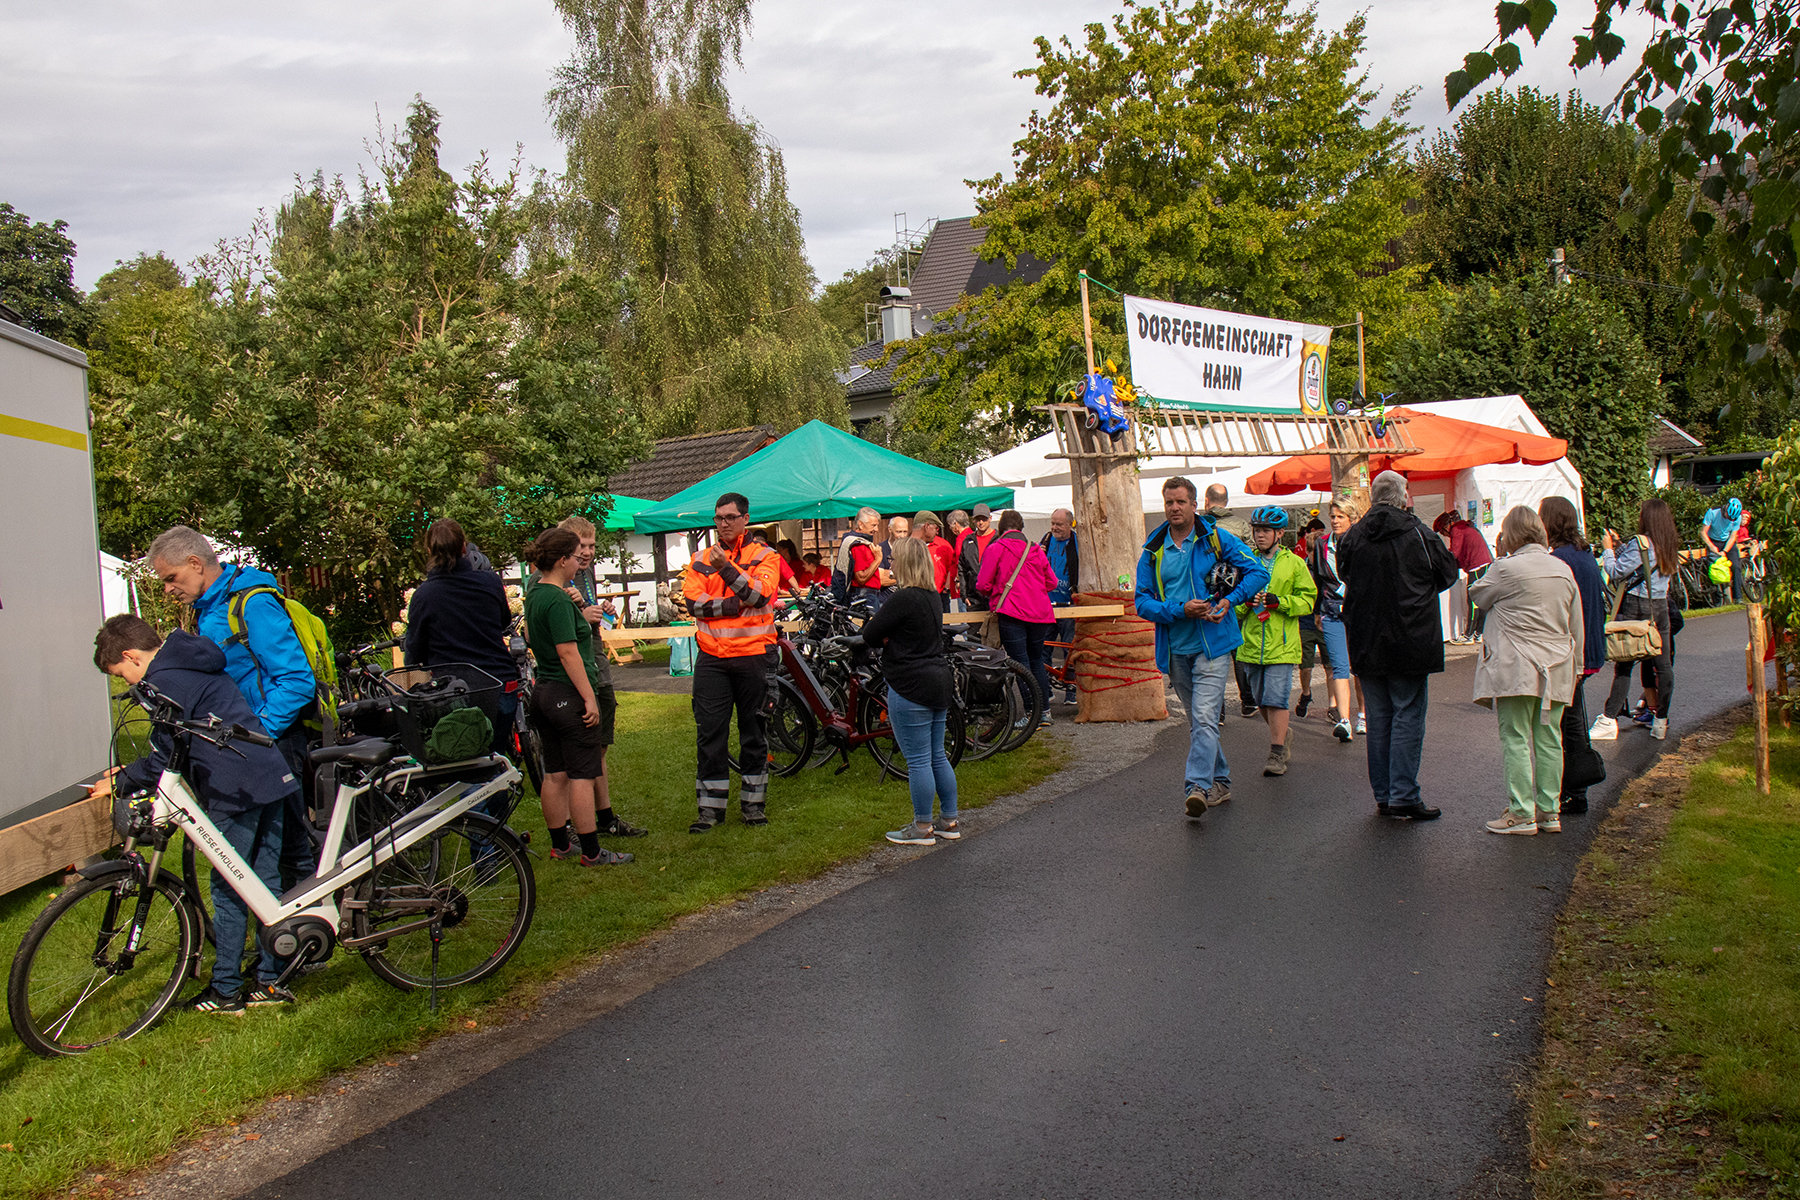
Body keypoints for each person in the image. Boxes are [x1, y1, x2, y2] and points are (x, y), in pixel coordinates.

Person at [89, 615, 300, 1013]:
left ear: (131, 656)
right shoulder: (189, 657)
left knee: (229, 888)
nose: (127, 684)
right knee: (265, 881)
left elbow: (166, 756)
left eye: (121, 674)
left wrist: (120, 782)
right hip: (269, 773)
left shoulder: (165, 681)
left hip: (234, 790)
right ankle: (271, 978)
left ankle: (226, 991)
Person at [148, 525, 319, 889]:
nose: (167, 590)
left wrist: (259, 732)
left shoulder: (251, 604)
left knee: (290, 851)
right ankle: (281, 920)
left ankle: (313, 918)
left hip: (273, 740)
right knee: (261, 856)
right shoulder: (208, 609)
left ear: (195, 563)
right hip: (243, 744)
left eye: (171, 578)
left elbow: (296, 680)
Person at [1135, 477, 1269, 817]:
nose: (1174, 508)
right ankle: (1220, 781)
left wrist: (1230, 600)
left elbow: (1257, 573)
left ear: (1195, 505)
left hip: (1214, 645)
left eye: (1181, 502)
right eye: (1169, 502)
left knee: (1206, 718)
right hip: (1176, 649)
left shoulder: (1216, 538)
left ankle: (1197, 786)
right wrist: (1180, 610)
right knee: (1200, 722)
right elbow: (1142, 603)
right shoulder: (1153, 550)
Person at [1336, 471, 1461, 821]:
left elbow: (1344, 574)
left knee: (1379, 717)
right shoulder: (1418, 532)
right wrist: (1418, 592)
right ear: (1404, 496)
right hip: (1411, 634)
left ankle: (1385, 794)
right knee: (1407, 714)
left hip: (1366, 635)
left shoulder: (1354, 535)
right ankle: (1403, 793)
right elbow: (1447, 572)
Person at [523, 528, 638, 865]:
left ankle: (561, 844)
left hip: (543, 692)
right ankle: (591, 851)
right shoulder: (558, 599)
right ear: (562, 560)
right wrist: (588, 697)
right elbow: (568, 652)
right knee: (582, 775)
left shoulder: (535, 593)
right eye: (576, 556)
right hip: (566, 693)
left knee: (554, 773)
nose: (580, 562)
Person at [1470, 506, 1584, 835]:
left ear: (1510, 535)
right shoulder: (1562, 569)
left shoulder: (1505, 568)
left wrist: (1499, 556)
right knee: (1549, 739)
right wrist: (1576, 667)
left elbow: (1478, 595)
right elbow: (1575, 623)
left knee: (1516, 738)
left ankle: (1521, 812)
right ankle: (1549, 811)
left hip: (1516, 665)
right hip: (1558, 664)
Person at [683, 491, 784, 831]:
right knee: (710, 734)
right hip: (712, 658)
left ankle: (753, 807)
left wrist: (725, 569)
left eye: (730, 517)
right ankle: (709, 812)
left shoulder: (765, 555)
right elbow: (693, 605)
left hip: (754, 656)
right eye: (718, 518)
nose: (723, 524)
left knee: (753, 733)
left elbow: (759, 595)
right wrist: (733, 605)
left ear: (745, 519)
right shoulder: (700, 558)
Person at [863, 538, 960, 846]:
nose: (890, 562)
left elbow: (870, 634)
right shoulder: (932, 595)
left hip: (909, 682)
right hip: (938, 678)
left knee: (918, 760)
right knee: (937, 755)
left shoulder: (902, 598)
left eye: (893, 558)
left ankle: (922, 826)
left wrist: (888, 638)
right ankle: (949, 820)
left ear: (904, 563)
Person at [403, 518, 521, 759]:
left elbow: (415, 651)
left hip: (453, 693)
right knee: (495, 758)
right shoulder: (490, 582)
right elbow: (503, 622)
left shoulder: (425, 595)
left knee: (461, 760)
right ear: (464, 547)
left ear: (429, 550)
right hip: (499, 682)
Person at [1233, 507, 1318, 777]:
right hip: (1251, 643)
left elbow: (1308, 600)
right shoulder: (1245, 561)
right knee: (1261, 700)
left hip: (1282, 644)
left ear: (1279, 533)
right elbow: (1232, 603)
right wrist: (1244, 602)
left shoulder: (1295, 563)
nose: (1260, 535)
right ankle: (1283, 733)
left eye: (1265, 531)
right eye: (1257, 530)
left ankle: (1277, 752)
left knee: (1276, 699)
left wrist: (1281, 602)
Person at [1592, 498, 1681, 741]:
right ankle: (1660, 720)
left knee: (1624, 664)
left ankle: (1609, 719)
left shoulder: (1641, 542)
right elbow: (1644, 565)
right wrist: (1621, 545)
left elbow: (1615, 571)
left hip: (1636, 606)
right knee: (1663, 666)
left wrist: (1608, 549)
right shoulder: (1669, 543)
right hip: (1660, 605)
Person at [1541, 496, 1606, 814]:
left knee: (1570, 724)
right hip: (1590, 645)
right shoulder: (1584, 553)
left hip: (1572, 650)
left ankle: (1575, 791)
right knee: (1572, 718)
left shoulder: (1559, 560)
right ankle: (1574, 789)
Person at [976, 510, 1061, 727]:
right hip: (1039, 613)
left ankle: (1032, 714)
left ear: (1001, 528)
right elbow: (1051, 582)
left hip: (1012, 612)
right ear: (1021, 528)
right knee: (1036, 661)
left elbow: (983, 585)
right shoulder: (1035, 549)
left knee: (1020, 663)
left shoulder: (996, 548)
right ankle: (1044, 712)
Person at [1305, 501, 1359, 743]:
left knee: (1359, 666)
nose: (1335, 521)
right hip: (1331, 610)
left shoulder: (1361, 542)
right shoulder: (1322, 544)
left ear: (1351, 519)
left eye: (1341, 516)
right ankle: (1344, 720)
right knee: (1339, 666)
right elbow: (1318, 579)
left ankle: (1364, 714)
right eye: (1333, 516)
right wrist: (1318, 610)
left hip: (1358, 611)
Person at [1039, 508, 1080, 704]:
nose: (1054, 527)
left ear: (1070, 525)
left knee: (1069, 648)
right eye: (1052, 523)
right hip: (1046, 604)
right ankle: (1044, 690)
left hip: (1068, 604)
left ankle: (1071, 690)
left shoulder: (1077, 542)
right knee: (1043, 647)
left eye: (1059, 524)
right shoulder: (1046, 540)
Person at [1295, 518, 1327, 718]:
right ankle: (1306, 693)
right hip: (1306, 622)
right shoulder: (1302, 569)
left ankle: (1333, 705)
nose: (1316, 555)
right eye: (1313, 551)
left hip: (1326, 621)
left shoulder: (1329, 569)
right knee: (1306, 665)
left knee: (1331, 667)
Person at [1449, 510, 1495, 642]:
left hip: (1476, 566)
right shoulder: (1468, 527)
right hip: (1485, 563)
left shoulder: (1457, 529)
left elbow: (1455, 553)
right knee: (1483, 600)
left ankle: (1468, 634)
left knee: (1473, 601)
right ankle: (1479, 633)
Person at [833, 507, 885, 606]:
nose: (877, 529)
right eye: (873, 525)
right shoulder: (858, 545)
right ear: (861, 524)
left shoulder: (860, 543)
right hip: (865, 595)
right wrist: (878, 560)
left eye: (877, 526)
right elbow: (861, 578)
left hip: (866, 594)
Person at [1700, 496, 1744, 603]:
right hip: (1713, 541)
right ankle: (1717, 600)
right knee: (1714, 569)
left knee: (1736, 567)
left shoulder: (1738, 518)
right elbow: (1702, 532)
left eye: (1731, 519)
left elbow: (1733, 536)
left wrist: (1725, 551)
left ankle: (1738, 597)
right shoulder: (1713, 512)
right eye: (1728, 516)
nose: (1729, 519)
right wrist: (1711, 546)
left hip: (1727, 541)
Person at [956, 504, 998, 611]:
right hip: (973, 598)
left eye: (984, 519)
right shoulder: (967, 541)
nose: (981, 522)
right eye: (978, 519)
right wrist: (964, 595)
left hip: (995, 596)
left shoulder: (999, 539)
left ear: (990, 518)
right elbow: (962, 568)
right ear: (973, 520)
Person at [914, 511, 957, 613]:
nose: (937, 532)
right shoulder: (910, 547)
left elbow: (953, 566)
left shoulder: (943, 545)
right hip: (918, 595)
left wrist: (946, 588)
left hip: (940, 594)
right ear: (927, 526)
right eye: (936, 528)